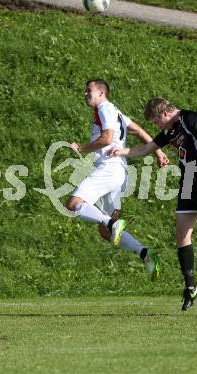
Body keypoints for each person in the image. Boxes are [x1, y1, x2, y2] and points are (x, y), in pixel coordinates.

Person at [109, 97, 197, 310]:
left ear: (163, 113)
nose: (157, 126)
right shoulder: (169, 131)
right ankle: (191, 287)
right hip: (188, 179)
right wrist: (122, 151)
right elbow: (146, 149)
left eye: (156, 121)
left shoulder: (190, 118)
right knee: (182, 234)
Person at [66, 80, 169, 281]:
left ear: (102, 92)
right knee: (106, 232)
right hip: (120, 173)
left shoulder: (104, 108)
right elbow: (139, 131)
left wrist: (81, 149)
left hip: (108, 168)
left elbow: (106, 139)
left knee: (73, 204)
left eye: (89, 90)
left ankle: (111, 223)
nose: (85, 94)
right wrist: (158, 153)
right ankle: (145, 253)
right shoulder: (117, 112)